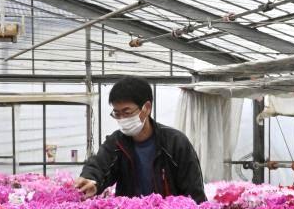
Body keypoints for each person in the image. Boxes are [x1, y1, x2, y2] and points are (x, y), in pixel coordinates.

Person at [77, 77, 206, 202]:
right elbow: (99, 164)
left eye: (127, 112)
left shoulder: (175, 143)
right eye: (117, 113)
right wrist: (91, 179)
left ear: (147, 108)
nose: (122, 119)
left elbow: (194, 191)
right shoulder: (117, 143)